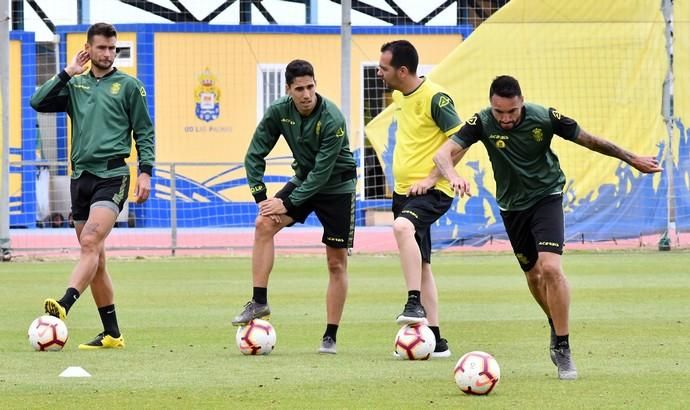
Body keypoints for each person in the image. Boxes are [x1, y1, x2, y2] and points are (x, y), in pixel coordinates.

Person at [433, 75, 663, 379]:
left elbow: (591, 140)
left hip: (546, 198)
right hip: (511, 207)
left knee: (551, 268)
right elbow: (442, 154)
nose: (505, 119)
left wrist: (632, 159)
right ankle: (557, 323)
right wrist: (451, 175)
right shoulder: (481, 121)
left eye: (511, 112)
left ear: (521, 103)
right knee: (533, 276)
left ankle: (563, 347)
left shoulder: (545, 118)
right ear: (492, 106)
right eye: (499, 112)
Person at [30, 22, 155, 349]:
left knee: (89, 242)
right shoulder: (76, 85)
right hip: (80, 177)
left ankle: (64, 304)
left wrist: (146, 172)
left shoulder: (130, 86)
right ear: (89, 48)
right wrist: (67, 72)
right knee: (95, 256)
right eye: (102, 48)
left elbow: (144, 131)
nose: (108, 54)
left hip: (113, 174)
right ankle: (112, 334)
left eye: (112, 48)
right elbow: (38, 102)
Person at [232, 59, 357, 355]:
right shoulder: (279, 112)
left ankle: (330, 335)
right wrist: (262, 198)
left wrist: (285, 202)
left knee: (336, 263)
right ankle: (259, 301)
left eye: (310, 87)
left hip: (337, 187)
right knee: (264, 223)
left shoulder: (333, 119)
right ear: (288, 89)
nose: (306, 94)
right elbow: (253, 155)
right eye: (299, 89)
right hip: (304, 180)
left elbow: (322, 174)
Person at [377, 40, 462, 358]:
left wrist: (432, 177)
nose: (379, 72)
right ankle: (436, 339)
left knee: (401, 228)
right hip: (403, 192)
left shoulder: (436, 98)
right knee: (423, 264)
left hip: (431, 192)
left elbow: (462, 139)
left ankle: (413, 302)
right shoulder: (400, 95)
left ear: (402, 70)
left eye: (383, 67)